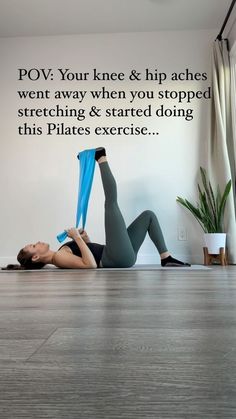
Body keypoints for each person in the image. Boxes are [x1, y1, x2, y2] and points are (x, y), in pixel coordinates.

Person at [3, 148, 191, 270]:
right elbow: (91, 266)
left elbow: (90, 254)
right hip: (115, 258)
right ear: (36, 257)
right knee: (111, 203)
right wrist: (76, 237)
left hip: (119, 254)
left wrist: (84, 239)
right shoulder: (58, 258)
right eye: (34, 246)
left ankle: (165, 257)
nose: (37, 242)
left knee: (148, 216)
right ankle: (101, 158)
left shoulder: (61, 252)